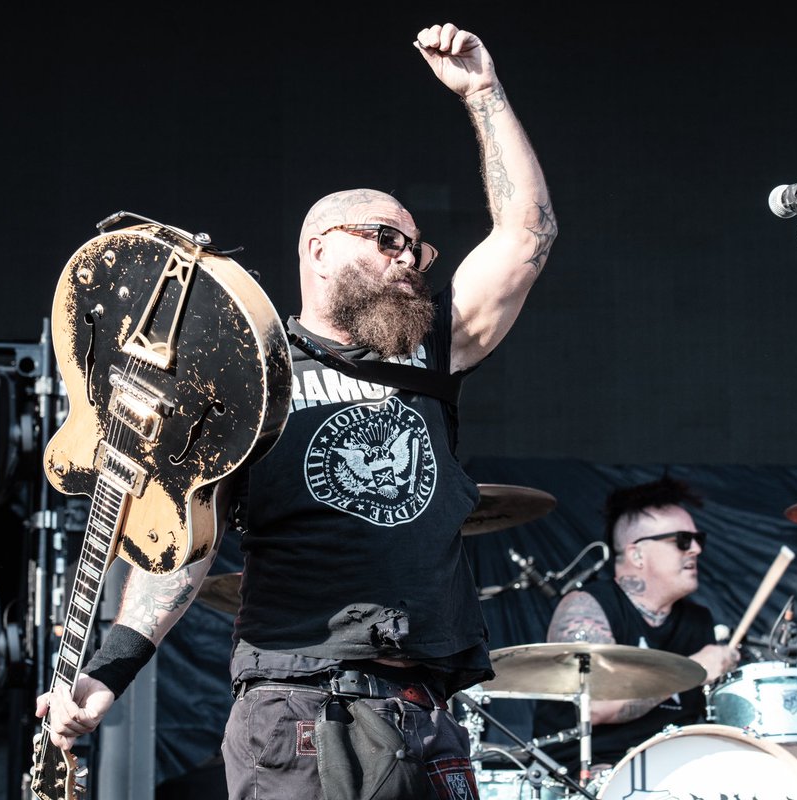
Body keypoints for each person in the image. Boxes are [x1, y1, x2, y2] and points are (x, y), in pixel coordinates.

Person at [38, 21, 557, 799]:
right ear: (318, 247)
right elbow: (187, 541)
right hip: (299, 708)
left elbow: (527, 234)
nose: (407, 260)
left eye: (416, 249)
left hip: (424, 711)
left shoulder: (429, 356)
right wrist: (111, 667)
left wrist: (484, 91)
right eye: (386, 239)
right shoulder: (244, 379)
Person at [530, 476, 740, 778]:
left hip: (672, 772)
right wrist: (693, 670)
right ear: (637, 554)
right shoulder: (587, 607)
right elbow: (597, 706)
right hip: (586, 776)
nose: (695, 549)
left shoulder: (698, 620)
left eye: (699, 539)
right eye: (682, 540)